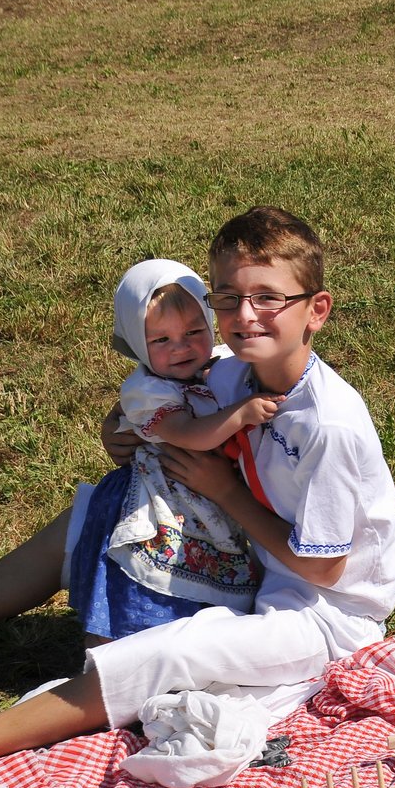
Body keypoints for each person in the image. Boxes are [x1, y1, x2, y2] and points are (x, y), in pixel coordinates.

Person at [0, 206, 395, 760]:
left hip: (325, 618)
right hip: (261, 567)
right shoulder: (236, 372)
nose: (245, 315)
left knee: (168, 654)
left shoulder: (328, 424)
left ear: (315, 310)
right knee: (87, 518)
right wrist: (116, 425)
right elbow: (160, 390)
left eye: (268, 298)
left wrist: (224, 490)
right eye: (228, 298)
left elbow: (325, 568)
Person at [65, 259, 281, 642]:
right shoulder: (148, 391)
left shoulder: (222, 364)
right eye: (161, 340)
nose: (181, 347)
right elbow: (187, 434)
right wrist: (240, 413)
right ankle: (104, 659)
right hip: (156, 506)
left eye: (194, 331)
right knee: (135, 587)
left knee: (195, 602)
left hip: (200, 502)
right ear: (137, 343)